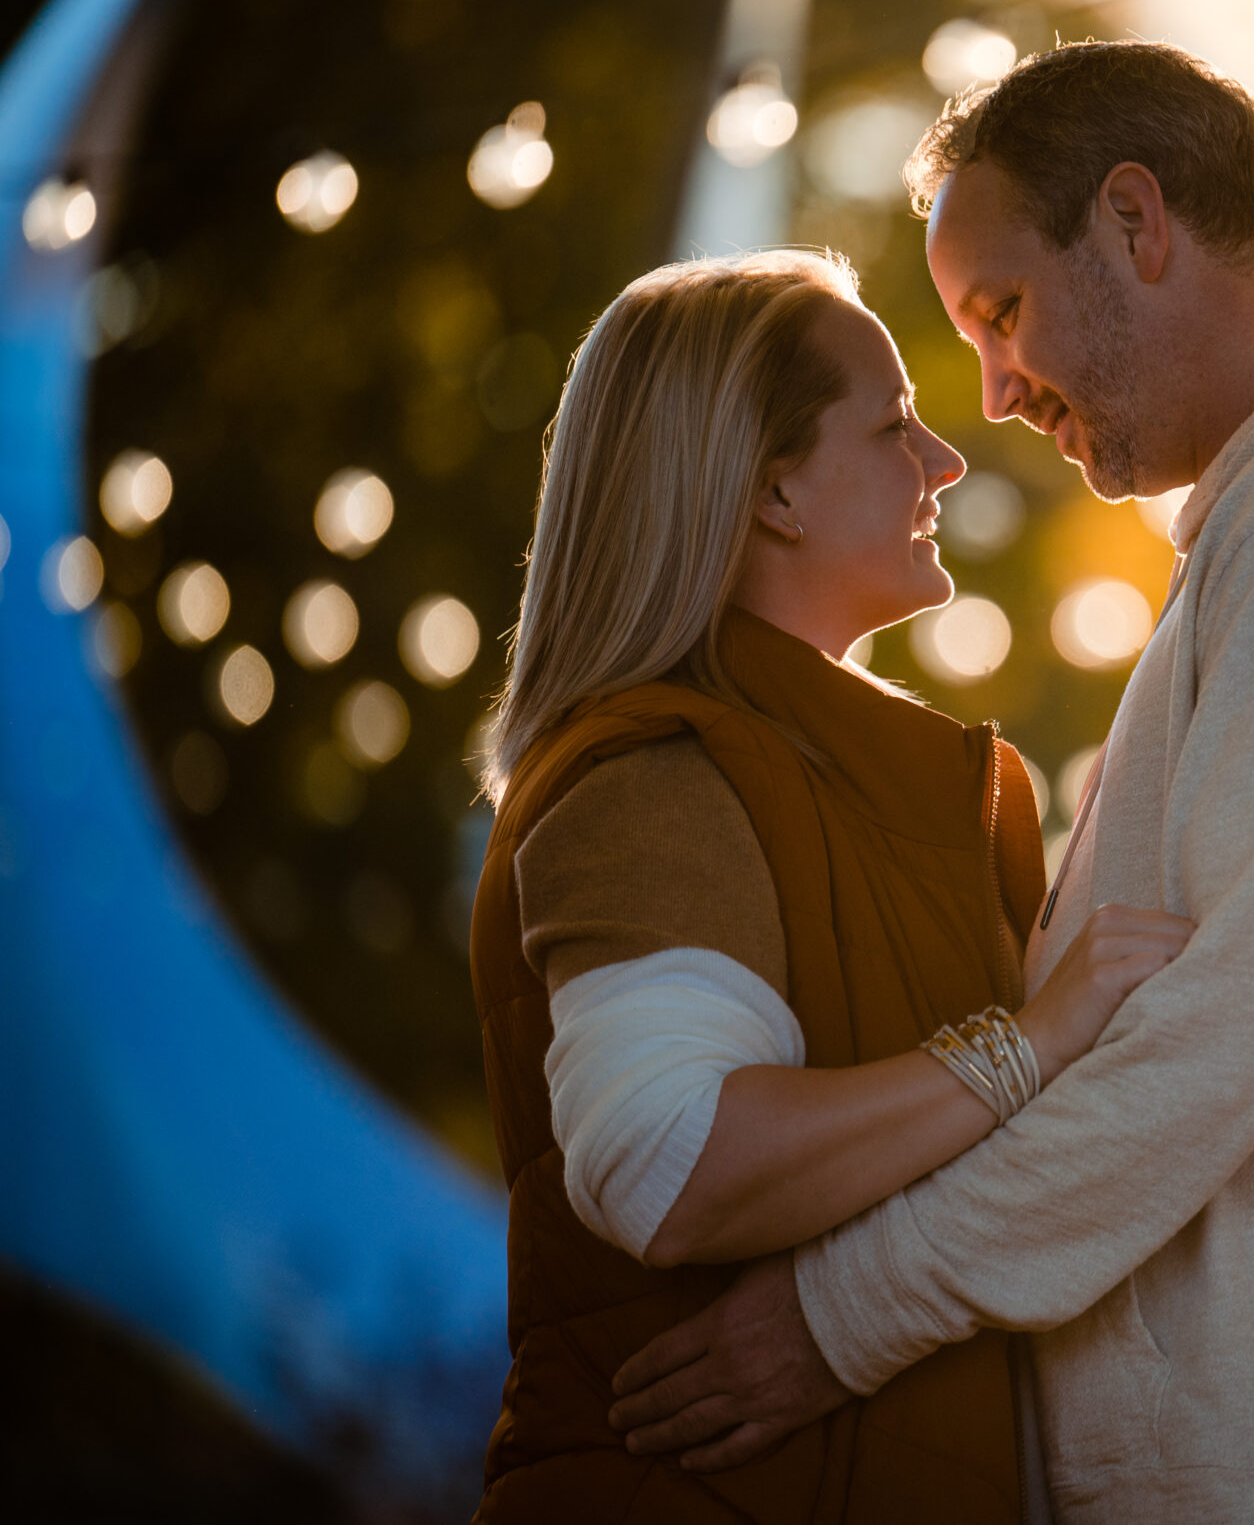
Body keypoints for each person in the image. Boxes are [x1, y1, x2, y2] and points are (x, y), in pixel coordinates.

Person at [611, 42, 1254, 1522]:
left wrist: (840, 1312)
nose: (990, 393)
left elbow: (1222, 1025)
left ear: (1133, 222)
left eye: (1002, 311)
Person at [466, 248, 1192, 1521]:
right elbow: (671, 1164)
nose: (945, 461)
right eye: (892, 424)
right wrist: (1031, 1043)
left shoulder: (891, 783)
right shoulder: (654, 772)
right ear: (770, 491)